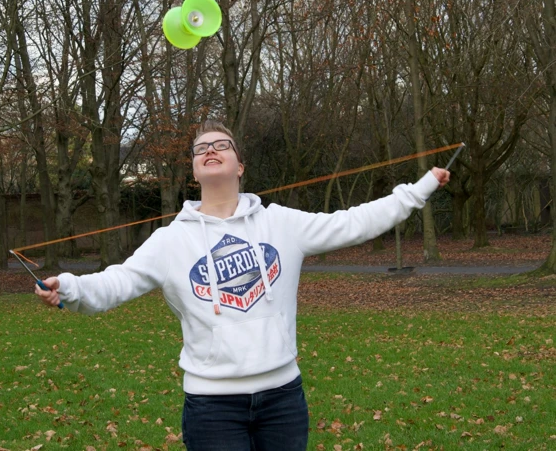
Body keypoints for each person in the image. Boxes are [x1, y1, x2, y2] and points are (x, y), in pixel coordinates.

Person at [36, 120, 450, 450]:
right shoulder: (171, 240)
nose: (210, 151)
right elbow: (117, 282)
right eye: (200, 148)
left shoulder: (280, 223)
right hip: (212, 408)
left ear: (240, 166)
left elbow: (353, 222)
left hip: (283, 398)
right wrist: (68, 289)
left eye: (221, 145)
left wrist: (420, 189)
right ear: (195, 169)